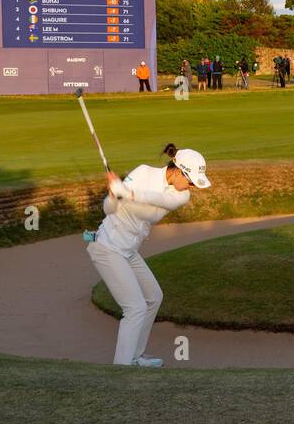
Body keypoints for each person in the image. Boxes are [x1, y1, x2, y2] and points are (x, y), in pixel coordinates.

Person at [86, 143, 211, 367]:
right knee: (135, 308)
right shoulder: (143, 172)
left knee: (154, 296)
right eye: (190, 180)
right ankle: (122, 369)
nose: (191, 186)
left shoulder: (181, 196)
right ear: (178, 170)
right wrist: (115, 195)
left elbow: (155, 204)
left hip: (128, 250)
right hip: (107, 247)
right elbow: (108, 209)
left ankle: (136, 356)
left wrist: (128, 193)